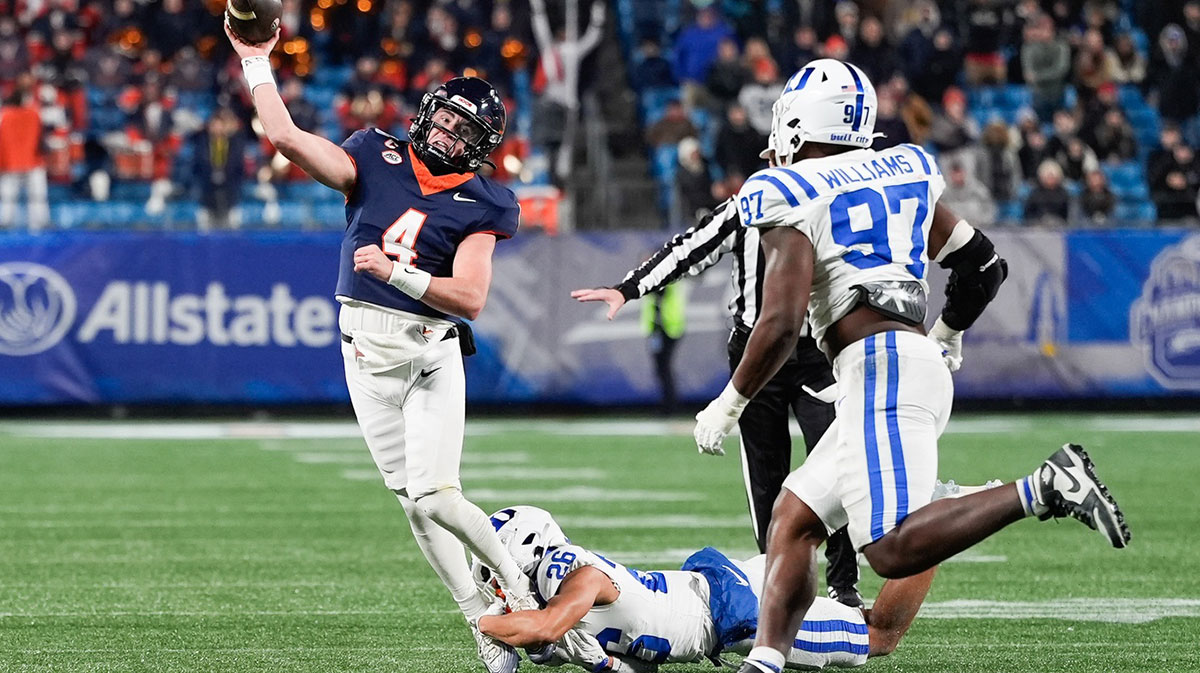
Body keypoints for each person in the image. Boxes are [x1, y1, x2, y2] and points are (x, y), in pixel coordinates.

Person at [684, 59, 1130, 673]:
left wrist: (729, 401)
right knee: (793, 520)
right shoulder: (904, 167)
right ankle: (766, 659)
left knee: (890, 548)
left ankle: (1043, 487)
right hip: (901, 361)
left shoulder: (785, 188)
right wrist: (946, 332)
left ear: (797, 121)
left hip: (879, 370)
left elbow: (782, 322)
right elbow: (984, 267)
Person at [226, 25, 537, 673]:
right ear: (427, 113)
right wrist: (256, 61)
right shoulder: (373, 153)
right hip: (366, 352)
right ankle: (480, 618)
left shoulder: (485, 200)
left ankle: (519, 589)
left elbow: (471, 297)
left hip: (432, 348)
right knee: (411, 501)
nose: (449, 135)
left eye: (463, 130)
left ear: (481, 147)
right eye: (445, 120)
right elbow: (284, 137)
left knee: (437, 495)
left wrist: (398, 273)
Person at [571, 179, 862, 607]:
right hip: (757, 350)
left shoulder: (837, 199)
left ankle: (843, 586)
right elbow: (690, 248)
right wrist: (628, 288)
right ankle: (777, 580)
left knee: (835, 463)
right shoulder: (750, 203)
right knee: (766, 477)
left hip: (818, 348)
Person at [472, 501, 986, 671]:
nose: (498, 584)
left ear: (529, 550)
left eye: (499, 569)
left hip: (744, 612)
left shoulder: (579, 579)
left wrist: (483, 622)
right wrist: (602, 663)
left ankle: (937, 517)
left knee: (880, 635)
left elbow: (544, 623)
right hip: (727, 586)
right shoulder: (560, 596)